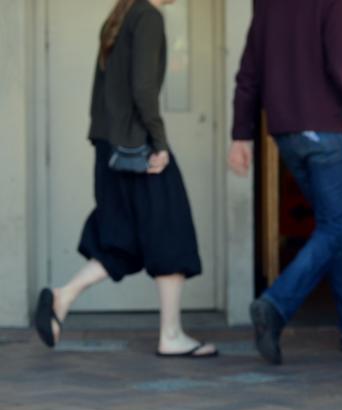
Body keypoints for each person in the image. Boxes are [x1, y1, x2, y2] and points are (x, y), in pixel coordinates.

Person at [34, 0, 217, 359]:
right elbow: (144, 89)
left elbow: (102, 97)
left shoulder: (120, 16)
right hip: (137, 147)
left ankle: (62, 297)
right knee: (170, 229)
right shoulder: (148, 16)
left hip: (110, 146)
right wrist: (159, 144)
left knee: (122, 238)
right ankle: (171, 334)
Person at [229, 0, 342, 365]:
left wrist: (241, 134)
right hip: (327, 131)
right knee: (334, 228)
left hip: (287, 133)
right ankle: (275, 304)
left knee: (339, 227)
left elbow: (248, 71)